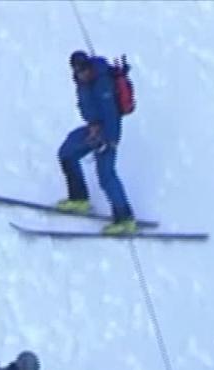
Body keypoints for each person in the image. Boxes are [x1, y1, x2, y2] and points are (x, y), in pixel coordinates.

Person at [54, 51, 137, 236]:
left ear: (89, 66)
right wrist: (93, 128)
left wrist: (108, 141)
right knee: (67, 152)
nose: (81, 73)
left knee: (106, 175)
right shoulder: (82, 82)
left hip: (108, 133)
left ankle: (125, 219)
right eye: (77, 70)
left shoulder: (102, 83)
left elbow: (111, 116)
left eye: (84, 69)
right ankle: (79, 199)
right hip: (93, 130)